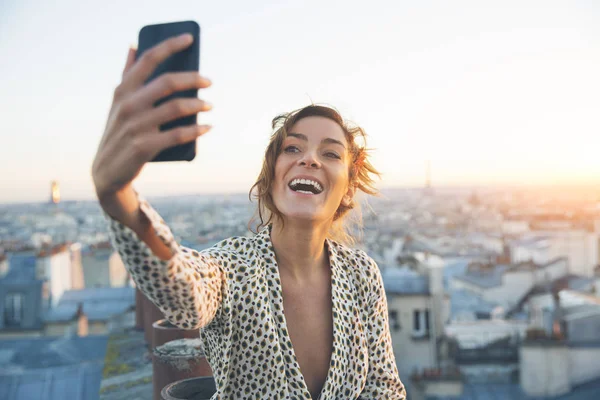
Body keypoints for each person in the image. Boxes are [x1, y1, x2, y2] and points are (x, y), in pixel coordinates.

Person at [92, 34, 405, 399]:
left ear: (348, 186)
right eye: (293, 148)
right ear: (272, 177)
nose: (310, 159)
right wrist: (120, 198)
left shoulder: (362, 274)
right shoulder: (234, 267)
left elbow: (383, 390)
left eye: (331, 154)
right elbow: (183, 290)